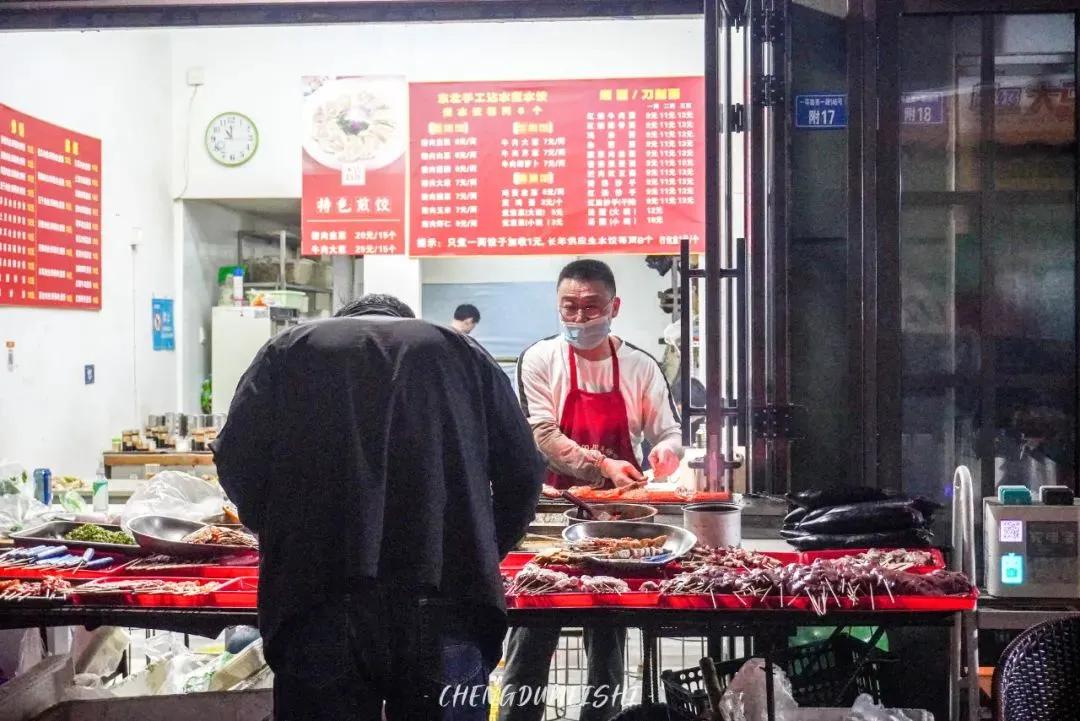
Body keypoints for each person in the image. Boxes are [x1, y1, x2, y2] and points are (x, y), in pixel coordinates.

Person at [212, 293, 545, 721]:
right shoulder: (462, 351)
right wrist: (481, 549)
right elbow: (524, 469)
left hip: (317, 599)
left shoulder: (288, 349)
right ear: (405, 320)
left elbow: (235, 460)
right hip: (448, 600)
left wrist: (280, 536)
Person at [499, 260, 683, 721]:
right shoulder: (540, 359)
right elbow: (541, 435)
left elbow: (668, 432)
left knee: (609, 636)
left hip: (623, 524)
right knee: (533, 630)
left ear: (614, 307)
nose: (580, 318)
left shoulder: (641, 366)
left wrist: (667, 452)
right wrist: (601, 463)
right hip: (547, 522)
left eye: (591, 307)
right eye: (570, 307)